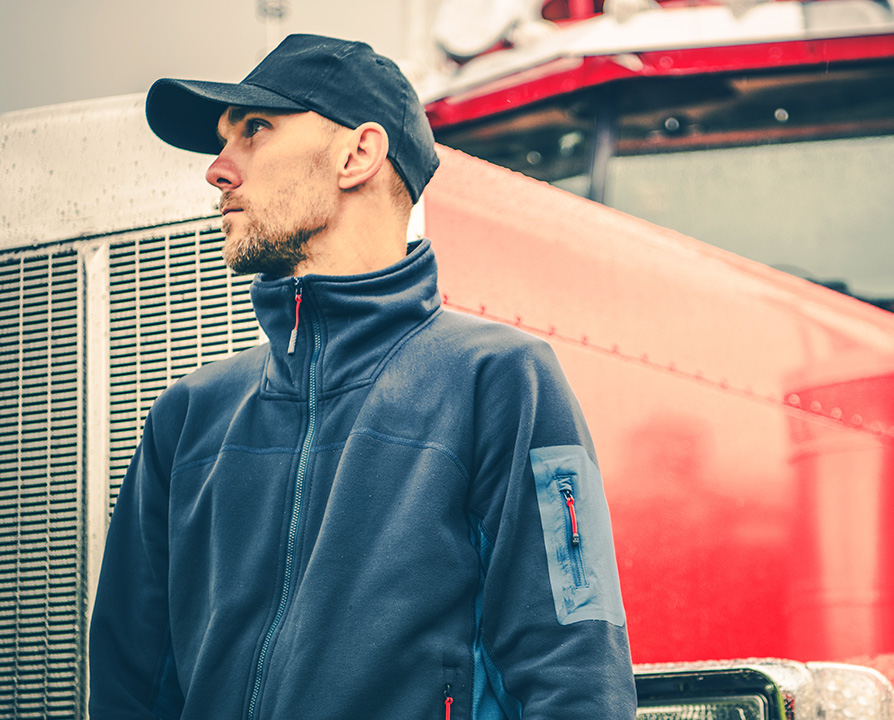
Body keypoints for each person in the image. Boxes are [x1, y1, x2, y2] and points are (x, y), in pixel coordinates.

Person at [89, 34, 636, 720]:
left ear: (359, 154)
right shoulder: (188, 418)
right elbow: (129, 690)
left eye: (254, 129)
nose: (218, 170)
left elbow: (576, 672)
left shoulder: (502, 381)